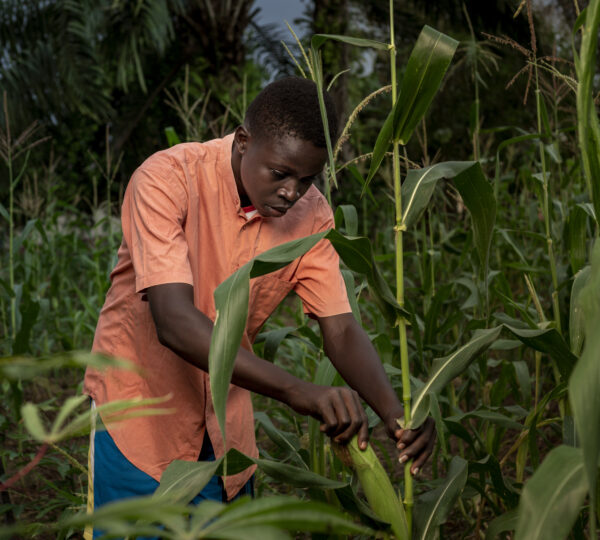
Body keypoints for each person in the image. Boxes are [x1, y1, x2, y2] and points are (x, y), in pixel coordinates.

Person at [83, 76, 435, 529]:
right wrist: (298, 390)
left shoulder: (311, 216)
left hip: (226, 435)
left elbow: (342, 329)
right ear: (244, 141)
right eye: (281, 173)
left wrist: (396, 413)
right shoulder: (166, 179)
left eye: (308, 179)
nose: (293, 192)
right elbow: (173, 321)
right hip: (137, 424)